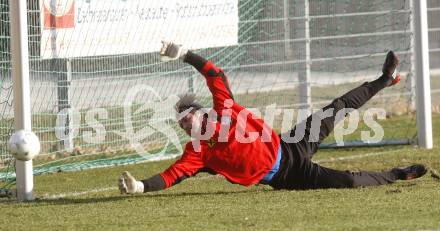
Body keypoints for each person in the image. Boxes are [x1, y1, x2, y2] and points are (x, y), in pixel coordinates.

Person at [118, 41, 427, 194]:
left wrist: (186, 55)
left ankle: (386, 79)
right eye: (182, 127)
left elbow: (216, 75)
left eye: (187, 120)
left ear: (201, 114)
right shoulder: (199, 153)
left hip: (290, 143)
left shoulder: (224, 107)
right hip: (288, 176)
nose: (186, 128)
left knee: (338, 107)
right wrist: (142, 187)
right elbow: (172, 175)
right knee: (347, 181)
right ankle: (399, 174)